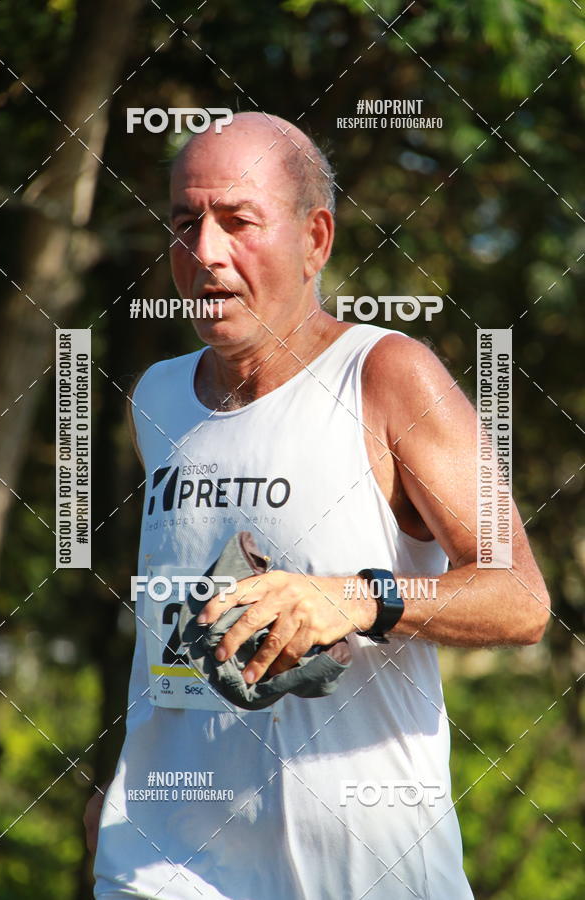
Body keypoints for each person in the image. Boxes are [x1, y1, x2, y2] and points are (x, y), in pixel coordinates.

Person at [87, 111, 550, 899]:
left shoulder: (385, 374)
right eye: (185, 223)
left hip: (362, 874)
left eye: (238, 222)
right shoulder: (157, 395)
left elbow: (522, 600)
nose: (206, 253)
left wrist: (354, 598)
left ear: (316, 239)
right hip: (164, 871)